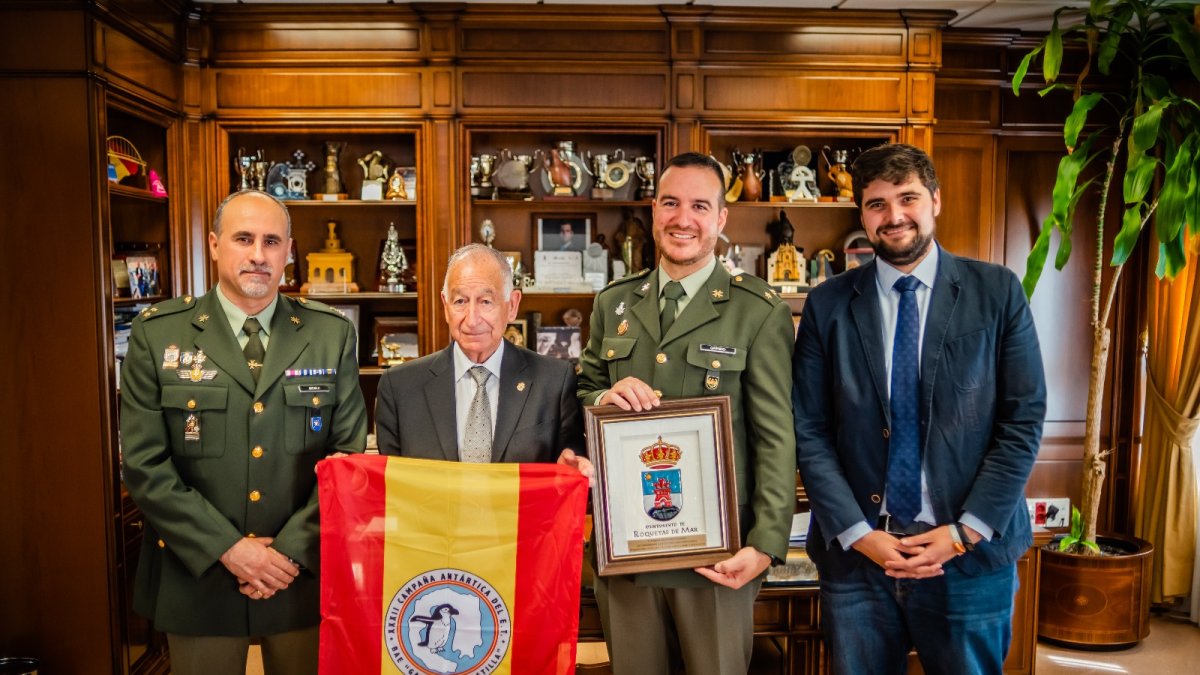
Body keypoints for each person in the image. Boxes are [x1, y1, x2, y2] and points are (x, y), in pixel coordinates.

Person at [791, 143, 1046, 674]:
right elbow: (809, 428)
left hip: (969, 556)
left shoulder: (997, 291)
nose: (894, 216)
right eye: (877, 204)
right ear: (862, 215)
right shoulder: (827, 303)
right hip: (860, 560)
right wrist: (860, 535)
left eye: (907, 198)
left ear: (935, 200)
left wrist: (963, 533)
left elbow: (1022, 421)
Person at [120, 189, 368, 675]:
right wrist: (230, 549)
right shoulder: (158, 333)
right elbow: (145, 465)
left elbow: (347, 458)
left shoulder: (331, 333)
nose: (258, 254)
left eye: (272, 242)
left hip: (300, 572)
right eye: (243, 238)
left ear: (289, 252)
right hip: (199, 574)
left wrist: (289, 554)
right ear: (215, 245)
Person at [577, 152, 797, 674]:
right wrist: (603, 399)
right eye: (671, 203)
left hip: (717, 556)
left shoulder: (758, 310)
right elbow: (584, 388)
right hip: (627, 551)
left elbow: (776, 437)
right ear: (654, 211)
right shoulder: (613, 303)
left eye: (700, 206)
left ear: (721, 218)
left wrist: (765, 545)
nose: (683, 219)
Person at [375, 244, 591, 474]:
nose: (472, 320)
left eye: (486, 302)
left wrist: (570, 472)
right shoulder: (399, 387)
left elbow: (571, 466)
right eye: (460, 301)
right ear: (445, 306)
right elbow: (391, 486)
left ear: (512, 305)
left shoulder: (554, 381)